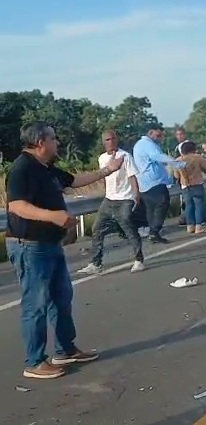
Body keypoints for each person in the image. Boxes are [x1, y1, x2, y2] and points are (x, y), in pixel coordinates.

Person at [5, 122, 125, 379]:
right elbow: (16, 206)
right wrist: (53, 216)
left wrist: (107, 171)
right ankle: (35, 361)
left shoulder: (46, 168)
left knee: (61, 298)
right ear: (41, 143)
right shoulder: (22, 168)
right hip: (29, 244)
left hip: (50, 243)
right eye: (53, 138)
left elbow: (74, 181)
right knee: (35, 303)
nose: (57, 142)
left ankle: (65, 349)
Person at [79, 130, 145, 275]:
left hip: (124, 199)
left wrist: (136, 194)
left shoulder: (125, 156)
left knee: (127, 226)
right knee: (97, 228)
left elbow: (132, 176)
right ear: (104, 142)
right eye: (108, 140)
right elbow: (104, 177)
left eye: (113, 139)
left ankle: (139, 259)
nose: (111, 142)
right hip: (109, 199)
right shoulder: (102, 158)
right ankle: (96, 263)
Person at [133, 125, 186, 244]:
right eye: (158, 135)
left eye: (161, 135)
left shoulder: (140, 145)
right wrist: (178, 164)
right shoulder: (148, 145)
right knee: (163, 203)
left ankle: (153, 231)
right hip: (154, 181)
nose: (160, 138)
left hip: (144, 183)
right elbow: (158, 157)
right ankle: (154, 230)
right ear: (150, 133)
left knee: (151, 208)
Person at [174, 141, 206, 234]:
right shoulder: (198, 157)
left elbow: (176, 176)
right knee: (199, 205)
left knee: (188, 206)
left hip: (185, 185)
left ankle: (190, 226)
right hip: (197, 183)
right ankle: (198, 226)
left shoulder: (178, 160)